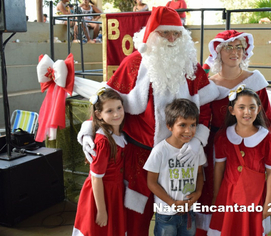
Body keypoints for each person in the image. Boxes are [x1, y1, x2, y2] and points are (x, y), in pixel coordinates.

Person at [77, 6, 219, 236]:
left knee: (180, 212)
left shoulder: (190, 67)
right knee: (136, 216)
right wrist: (88, 131)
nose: (172, 39)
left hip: (181, 155)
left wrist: (197, 142)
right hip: (139, 153)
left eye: (176, 33)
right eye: (165, 33)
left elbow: (205, 110)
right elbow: (105, 100)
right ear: (152, 34)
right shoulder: (133, 63)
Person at [197, 30, 271, 236]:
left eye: (239, 47)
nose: (235, 52)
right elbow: (202, 120)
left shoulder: (255, 82)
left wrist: (265, 154)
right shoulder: (209, 86)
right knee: (215, 195)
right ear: (218, 52)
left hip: (251, 152)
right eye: (229, 47)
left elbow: (268, 121)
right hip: (216, 149)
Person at [207, 85, 271, 236]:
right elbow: (219, 168)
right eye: (241, 107)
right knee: (227, 229)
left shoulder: (268, 140)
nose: (247, 112)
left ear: (259, 109)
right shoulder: (223, 137)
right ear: (232, 110)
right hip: (228, 195)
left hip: (254, 197)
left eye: (252, 107)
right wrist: (216, 197)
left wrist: (269, 203)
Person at [144, 99, 206, 236]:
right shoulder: (160, 151)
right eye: (183, 125)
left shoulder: (197, 150)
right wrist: (172, 203)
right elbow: (151, 182)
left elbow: (200, 174)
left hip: (189, 212)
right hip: (166, 214)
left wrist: (198, 193)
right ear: (170, 126)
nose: (188, 131)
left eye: (193, 125)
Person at [72, 88, 127, 236]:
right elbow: (96, 178)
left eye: (119, 108)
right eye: (109, 111)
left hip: (114, 191)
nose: (116, 114)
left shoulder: (119, 133)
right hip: (101, 194)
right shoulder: (103, 142)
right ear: (98, 114)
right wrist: (101, 211)